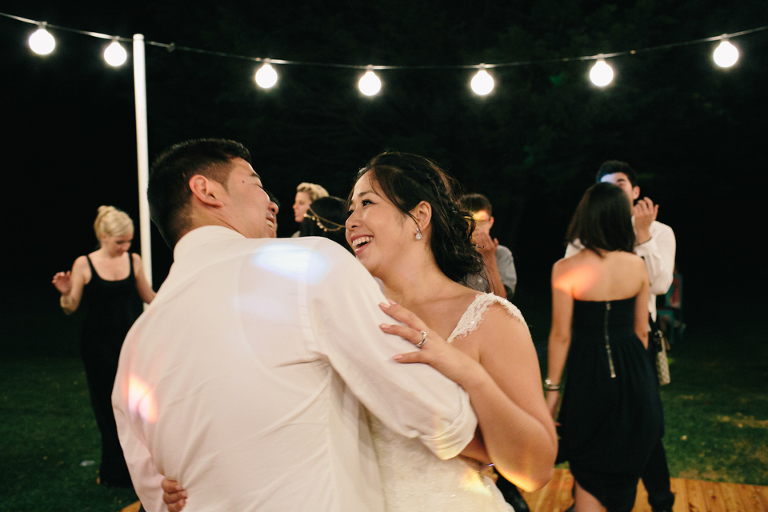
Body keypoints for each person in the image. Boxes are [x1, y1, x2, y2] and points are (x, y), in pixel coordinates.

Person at [162, 151, 557, 512]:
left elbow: (535, 469)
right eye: (351, 209)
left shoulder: (487, 319)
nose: (351, 222)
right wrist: (194, 476)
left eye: (368, 203)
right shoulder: (335, 315)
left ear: (420, 216)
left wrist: (469, 374)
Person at [112, 139, 477, 512]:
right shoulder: (307, 265)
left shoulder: (135, 347)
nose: (272, 202)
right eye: (255, 183)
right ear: (206, 190)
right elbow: (443, 418)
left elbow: (158, 496)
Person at [566, 161, 676, 512]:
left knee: (645, 423)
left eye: (621, 183)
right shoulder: (584, 238)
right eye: (606, 185)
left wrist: (642, 238)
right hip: (595, 342)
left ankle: (660, 500)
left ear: (636, 191)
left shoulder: (660, 232)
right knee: (595, 420)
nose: (615, 189)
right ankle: (587, 498)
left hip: (638, 341)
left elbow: (659, 284)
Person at [52, 205, 155, 488]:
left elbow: (149, 296)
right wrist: (64, 294)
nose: (125, 247)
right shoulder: (84, 263)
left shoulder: (133, 260)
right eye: (119, 242)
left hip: (129, 343)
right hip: (97, 345)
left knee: (135, 407)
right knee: (108, 408)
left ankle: (139, 468)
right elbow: (70, 308)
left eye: (129, 241)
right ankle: (113, 472)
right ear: (103, 235)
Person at [458, 194, 517, 299]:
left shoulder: (502, 254)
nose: (476, 227)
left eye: (482, 221)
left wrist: (489, 258)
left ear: (491, 222)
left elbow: (502, 301)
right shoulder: (452, 253)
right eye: (469, 221)